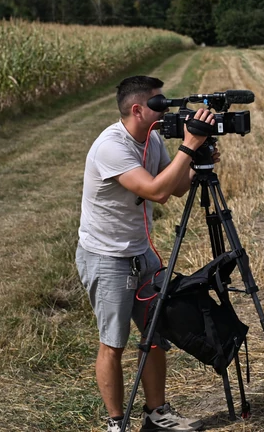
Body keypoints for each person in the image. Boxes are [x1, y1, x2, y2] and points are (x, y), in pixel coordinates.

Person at [77, 75, 216, 432]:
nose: (166, 109)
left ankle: (157, 415)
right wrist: (188, 147)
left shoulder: (152, 140)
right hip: (108, 258)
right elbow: (155, 191)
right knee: (114, 344)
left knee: (156, 336)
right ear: (137, 109)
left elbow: (178, 188)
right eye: (159, 104)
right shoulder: (112, 146)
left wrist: (198, 157)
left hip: (143, 256)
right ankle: (115, 423)